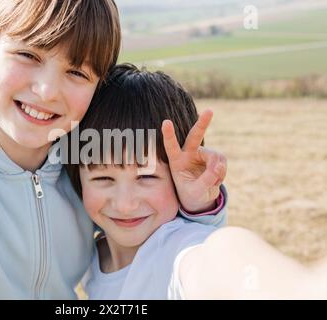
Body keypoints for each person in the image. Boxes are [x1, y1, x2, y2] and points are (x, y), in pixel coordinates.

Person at [0, 1, 226, 299]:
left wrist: (199, 209)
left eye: (76, 72)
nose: (46, 91)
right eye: (28, 54)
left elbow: (161, 246)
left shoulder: (84, 166)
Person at [66, 63, 327, 300]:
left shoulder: (177, 249)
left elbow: (221, 256)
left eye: (146, 176)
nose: (124, 204)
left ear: (179, 179)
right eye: (103, 178)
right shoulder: (89, 255)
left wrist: (301, 290)